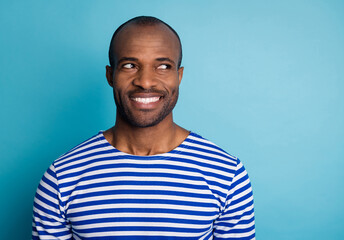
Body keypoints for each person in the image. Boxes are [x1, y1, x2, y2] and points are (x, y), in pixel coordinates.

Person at [32, 16, 255, 240]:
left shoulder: (227, 174)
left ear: (179, 76)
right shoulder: (61, 178)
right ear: (111, 75)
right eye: (130, 65)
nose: (146, 81)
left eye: (163, 66)